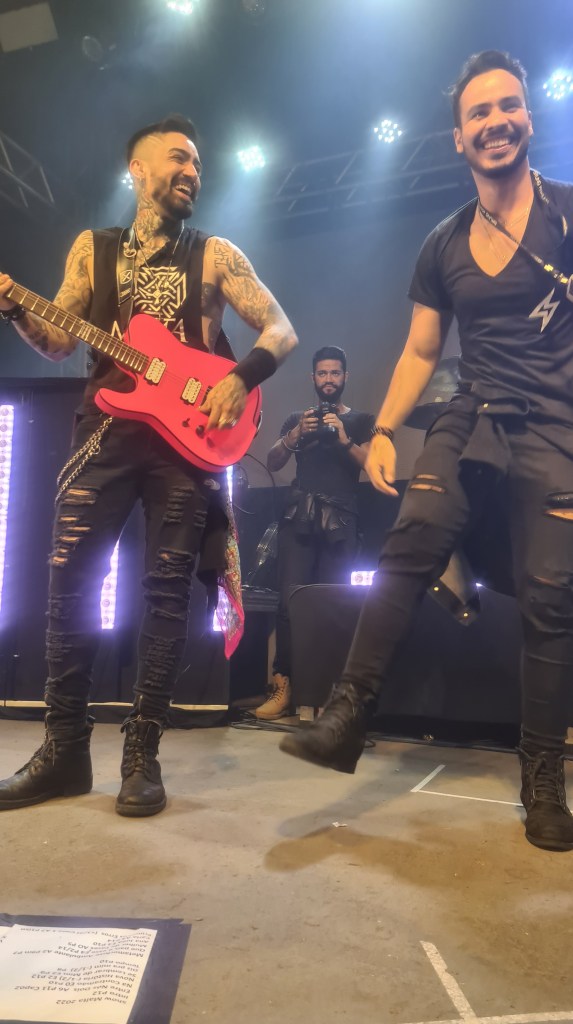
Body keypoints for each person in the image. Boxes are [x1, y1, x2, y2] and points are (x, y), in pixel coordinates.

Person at [280, 51, 573, 853]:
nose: (495, 122)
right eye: (478, 113)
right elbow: (419, 351)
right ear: (457, 138)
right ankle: (347, 714)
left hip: (554, 427)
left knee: (550, 596)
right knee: (411, 537)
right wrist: (380, 430)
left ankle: (542, 775)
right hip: (469, 415)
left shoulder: (566, 214)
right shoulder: (442, 242)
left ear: (528, 117)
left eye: (507, 106)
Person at [0, 114, 297, 817]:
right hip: (104, 430)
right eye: (177, 159)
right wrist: (14, 309)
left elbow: (281, 330)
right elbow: (57, 341)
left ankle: (142, 754)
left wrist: (239, 379)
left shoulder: (215, 253)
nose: (192, 171)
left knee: (166, 594)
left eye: (197, 163)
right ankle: (64, 751)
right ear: (137, 170)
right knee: (70, 582)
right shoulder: (92, 249)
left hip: (186, 442)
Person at [255, 346, 374, 719]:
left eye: (335, 373)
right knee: (289, 603)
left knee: (335, 605)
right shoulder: (298, 419)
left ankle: (330, 693)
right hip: (300, 517)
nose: (328, 380)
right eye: (322, 373)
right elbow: (273, 461)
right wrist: (293, 436)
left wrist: (344, 438)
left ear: (345, 377)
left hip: (342, 520)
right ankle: (284, 686)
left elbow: (372, 464)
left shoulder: (361, 420)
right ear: (313, 378)